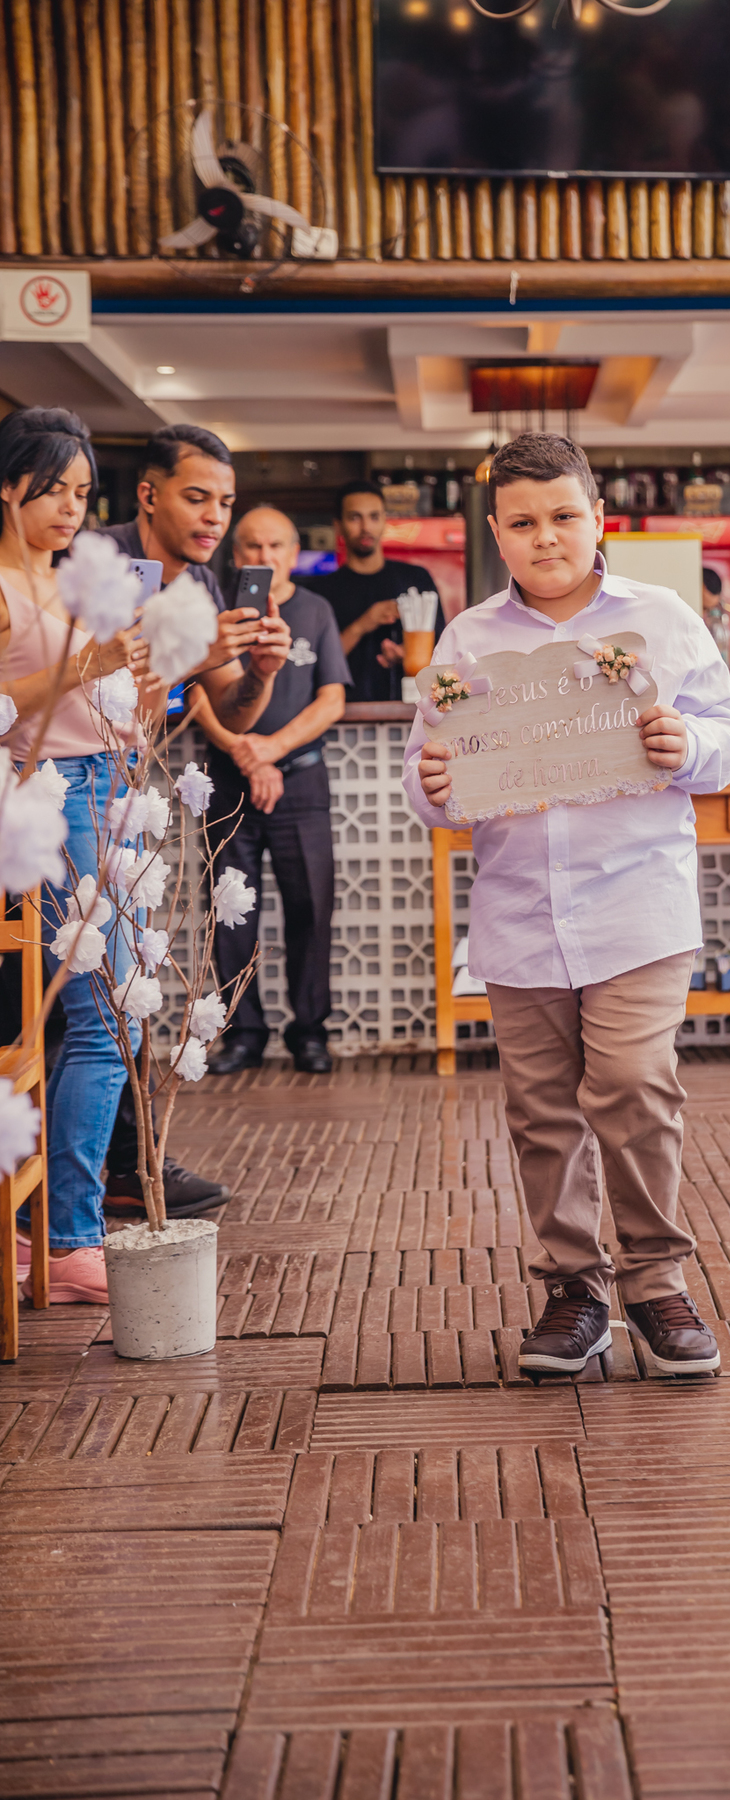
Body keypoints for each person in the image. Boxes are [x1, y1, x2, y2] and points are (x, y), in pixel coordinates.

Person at [403, 433, 730, 1379]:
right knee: (541, 1110)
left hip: (637, 903)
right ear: (496, 534)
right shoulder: (469, 638)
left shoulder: (665, 617)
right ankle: (573, 1288)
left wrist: (692, 742)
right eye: (523, 523)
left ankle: (655, 1281)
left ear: (599, 518)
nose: (546, 537)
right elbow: (426, 774)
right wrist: (433, 781)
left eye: (563, 515)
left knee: (636, 1087)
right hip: (519, 911)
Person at [0, 407, 288, 1303]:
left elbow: (157, 704)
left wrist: (223, 672)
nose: (68, 509)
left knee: (96, 1020)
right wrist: (92, 665)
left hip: (111, 791)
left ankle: (39, 1228)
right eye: (52, 489)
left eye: (81, 493)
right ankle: (72, 1234)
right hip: (45, 793)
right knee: (96, 1021)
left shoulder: (80, 584)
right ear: (8, 485)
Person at [96, 422, 295, 1217]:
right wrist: (198, 650)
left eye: (225, 501)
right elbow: (98, 692)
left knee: (129, 988)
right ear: (149, 495)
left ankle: (133, 1159)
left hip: (136, 798)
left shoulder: (205, 587)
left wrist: (264, 673)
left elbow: (223, 709)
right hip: (71, 790)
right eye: (196, 497)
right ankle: (112, 1169)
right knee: (95, 999)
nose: (214, 516)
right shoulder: (104, 568)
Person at [192, 507, 350, 1076]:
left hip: (301, 781)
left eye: (276, 545)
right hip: (228, 781)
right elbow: (197, 698)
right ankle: (242, 1033)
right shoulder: (216, 617)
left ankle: (310, 1032)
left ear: (293, 551)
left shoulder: (316, 611)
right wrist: (243, 752)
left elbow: (331, 700)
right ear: (235, 557)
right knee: (230, 914)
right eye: (252, 546)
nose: (264, 557)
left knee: (310, 907)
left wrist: (271, 749)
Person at [306, 480, 445, 702]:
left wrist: (407, 656)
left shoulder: (416, 579)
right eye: (354, 517)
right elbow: (311, 665)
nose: (365, 527)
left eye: (374, 517)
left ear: (384, 522)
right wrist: (363, 624)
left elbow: (443, 655)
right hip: (343, 716)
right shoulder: (320, 592)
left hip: (412, 712)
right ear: (338, 526)